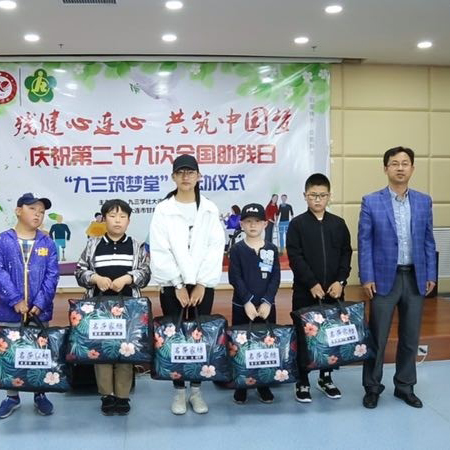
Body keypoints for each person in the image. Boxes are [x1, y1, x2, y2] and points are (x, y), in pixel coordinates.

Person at [358, 146, 436, 409]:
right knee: (377, 337)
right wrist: (366, 276)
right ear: (385, 168)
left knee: (410, 337)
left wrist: (431, 273)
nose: (400, 168)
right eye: (394, 163)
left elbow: (428, 239)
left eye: (405, 163)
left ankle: (404, 386)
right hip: (382, 279)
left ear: (412, 168)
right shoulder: (371, 201)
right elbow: (365, 242)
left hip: (415, 276)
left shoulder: (424, 201)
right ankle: (372, 387)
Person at [149, 154, 225, 415]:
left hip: (202, 285)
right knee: (177, 336)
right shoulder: (164, 209)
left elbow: (215, 247)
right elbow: (160, 249)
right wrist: (177, 284)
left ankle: (197, 391)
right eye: (180, 172)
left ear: (198, 176)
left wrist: (202, 283)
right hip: (174, 286)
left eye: (190, 172)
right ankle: (179, 392)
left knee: (199, 337)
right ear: (173, 177)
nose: (185, 177)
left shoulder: (209, 209)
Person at [75, 199, 150, 416]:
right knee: (103, 351)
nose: (117, 220)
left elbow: (145, 273)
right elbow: (80, 271)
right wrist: (95, 278)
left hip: (129, 309)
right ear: (104, 219)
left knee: (126, 350)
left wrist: (128, 278)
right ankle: (106, 395)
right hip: (99, 309)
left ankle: (123, 396)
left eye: (122, 216)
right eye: (112, 216)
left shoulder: (136, 246)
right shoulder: (93, 245)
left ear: (129, 221)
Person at [286, 174, 352, 403]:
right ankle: (302, 381)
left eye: (322, 195)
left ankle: (326, 378)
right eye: (313, 195)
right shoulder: (297, 224)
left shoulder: (338, 224)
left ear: (329, 196)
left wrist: (340, 281)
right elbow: (295, 257)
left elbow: (346, 253)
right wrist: (311, 283)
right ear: (305, 196)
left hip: (333, 292)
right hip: (305, 292)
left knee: (330, 337)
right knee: (304, 336)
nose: (317, 199)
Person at [0, 193, 59, 419]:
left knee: (39, 351)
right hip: (8, 310)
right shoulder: (3, 240)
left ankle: (40, 393)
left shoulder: (47, 242)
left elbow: (52, 275)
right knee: (10, 352)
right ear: (18, 211)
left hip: (38, 312)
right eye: (32, 209)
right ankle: (11, 396)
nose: (38, 214)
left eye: (42, 211)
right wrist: (15, 299)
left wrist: (40, 303)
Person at [228, 203, 280, 404]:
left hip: (267, 308)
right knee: (242, 347)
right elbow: (235, 277)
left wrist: (267, 301)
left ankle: (263, 384)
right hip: (242, 307)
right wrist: (247, 302)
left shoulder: (271, 249)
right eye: (248, 221)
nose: (252, 225)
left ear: (265, 224)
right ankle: (241, 385)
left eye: (257, 221)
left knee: (265, 345)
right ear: (241, 224)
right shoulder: (237, 249)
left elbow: (275, 277)